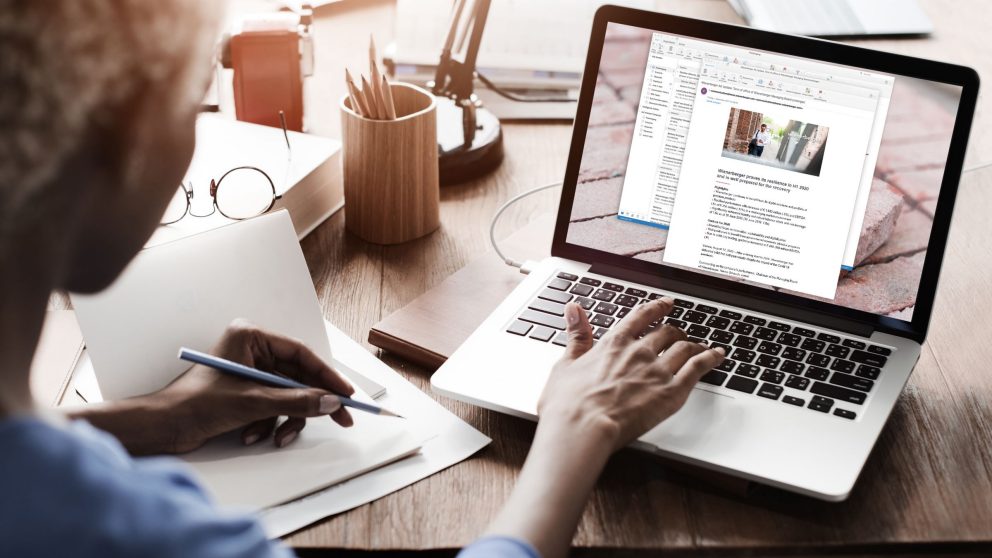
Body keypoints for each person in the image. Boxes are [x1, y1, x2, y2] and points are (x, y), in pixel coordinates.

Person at [0, 3, 724, 558]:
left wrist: (162, 418)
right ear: (116, 145)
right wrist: (577, 429)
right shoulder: (145, 535)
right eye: (192, 104)